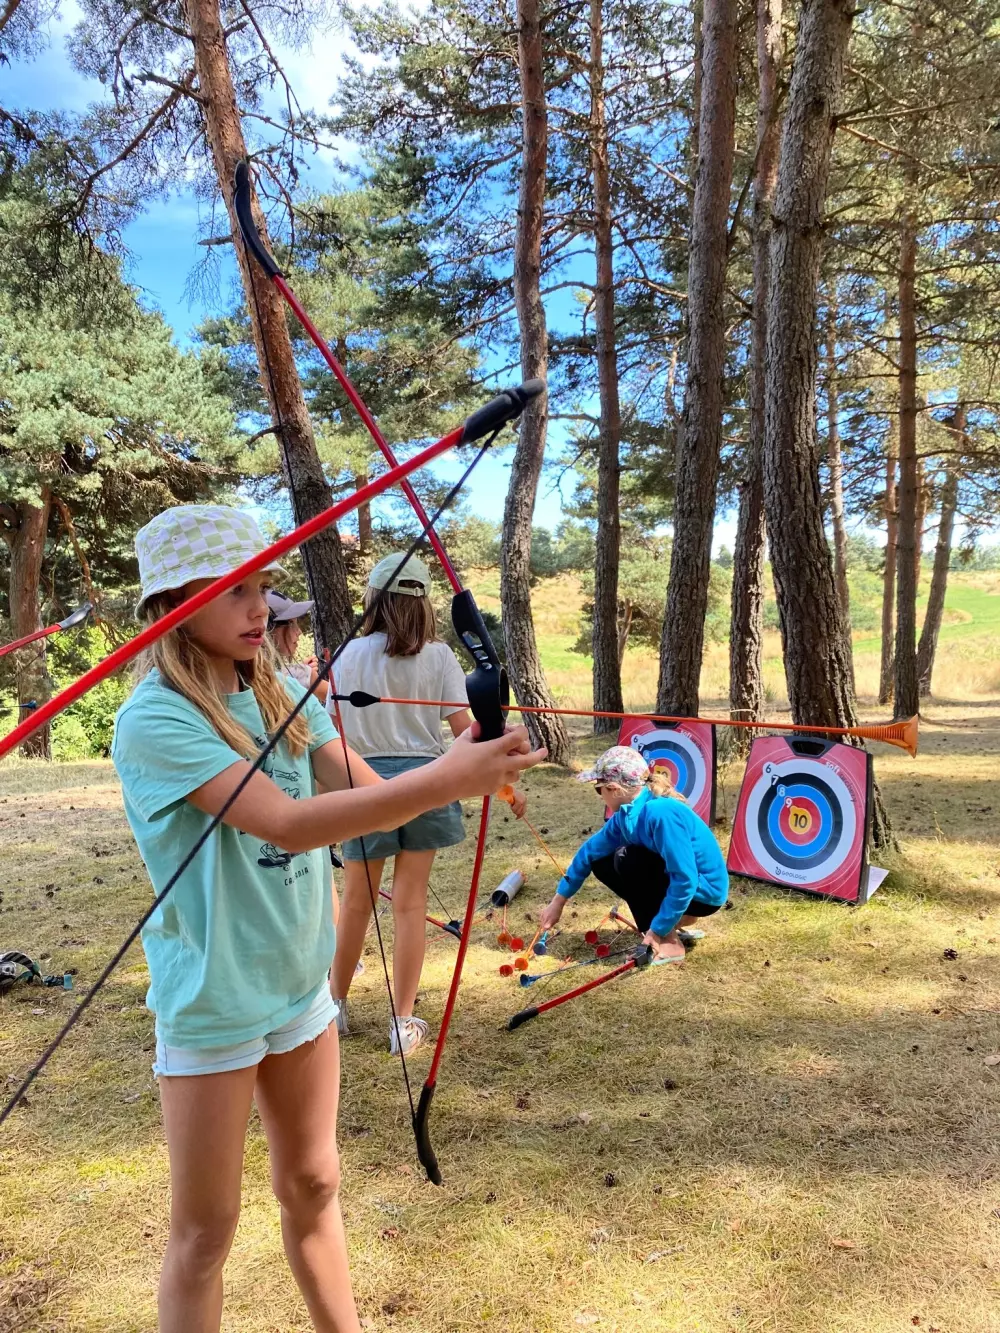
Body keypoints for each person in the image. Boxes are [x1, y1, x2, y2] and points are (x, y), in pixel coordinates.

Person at [111, 505, 545, 1333]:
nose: (261, 608)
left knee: (314, 1183)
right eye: (236, 590)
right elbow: (286, 821)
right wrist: (448, 777)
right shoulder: (157, 717)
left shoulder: (274, 687)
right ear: (174, 605)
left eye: (264, 587)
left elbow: (358, 787)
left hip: (299, 984)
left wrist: (472, 760)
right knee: (206, 1231)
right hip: (214, 999)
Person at [327, 552, 526, 1056]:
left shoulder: (348, 655)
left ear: (373, 600)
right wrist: (505, 777)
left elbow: (331, 732)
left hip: (365, 785)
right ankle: (401, 1022)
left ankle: (334, 1010)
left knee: (357, 902)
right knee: (410, 902)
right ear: (423, 604)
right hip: (427, 784)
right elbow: (468, 734)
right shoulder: (438, 656)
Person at [538, 746, 728, 965]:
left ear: (613, 789)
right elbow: (589, 852)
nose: (600, 797)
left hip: (703, 893)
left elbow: (685, 878)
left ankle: (667, 940)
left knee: (627, 858)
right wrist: (558, 901)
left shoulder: (660, 813)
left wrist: (656, 931)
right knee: (601, 861)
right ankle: (670, 922)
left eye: (599, 790)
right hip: (684, 886)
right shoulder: (625, 816)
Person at [266, 589, 329, 704]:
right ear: (268, 629)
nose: (299, 631)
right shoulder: (298, 675)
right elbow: (340, 699)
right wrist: (304, 675)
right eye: (291, 623)